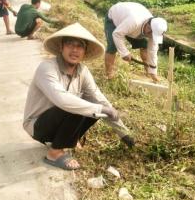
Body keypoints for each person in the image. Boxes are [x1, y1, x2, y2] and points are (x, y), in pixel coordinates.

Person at [23, 23, 134, 171]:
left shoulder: (82, 71)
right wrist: (100, 108)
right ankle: (54, 153)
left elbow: (99, 99)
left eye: (80, 46)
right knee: (78, 105)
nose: (74, 50)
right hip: (38, 126)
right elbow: (62, 100)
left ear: (85, 51)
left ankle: (67, 140)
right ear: (61, 47)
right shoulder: (47, 68)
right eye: (70, 44)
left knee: (96, 107)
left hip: (58, 121)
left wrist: (124, 133)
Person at [104, 2, 168, 82]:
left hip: (131, 23)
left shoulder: (154, 28)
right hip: (114, 19)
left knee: (145, 46)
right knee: (112, 46)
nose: (151, 37)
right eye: (151, 34)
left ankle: (148, 73)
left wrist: (153, 71)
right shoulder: (134, 21)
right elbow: (117, 34)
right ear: (148, 26)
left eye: (154, 35)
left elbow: (152, 51)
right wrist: (124, 53)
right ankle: (109, 75)